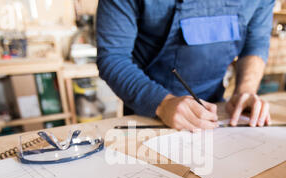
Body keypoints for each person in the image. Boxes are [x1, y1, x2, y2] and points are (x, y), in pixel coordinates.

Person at [96, 0, 275, 131]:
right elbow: (113, 57)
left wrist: (245, 90)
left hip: (216, 114)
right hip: (149, 113)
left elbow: (256, 42)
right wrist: (162, 103)